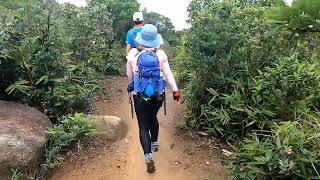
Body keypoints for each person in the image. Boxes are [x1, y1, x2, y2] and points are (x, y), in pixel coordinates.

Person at [126, 24, 180, 173]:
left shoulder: (132, 54)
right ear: (156, 40)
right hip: (158, 95)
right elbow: (168, 75)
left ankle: (147, 155)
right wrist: (175, 91)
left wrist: (133, 85)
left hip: (140, 96)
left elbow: (129, 75)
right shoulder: (161, 54)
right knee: (153, 117)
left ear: (140, 40)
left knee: (143, 126)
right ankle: (155, 142)